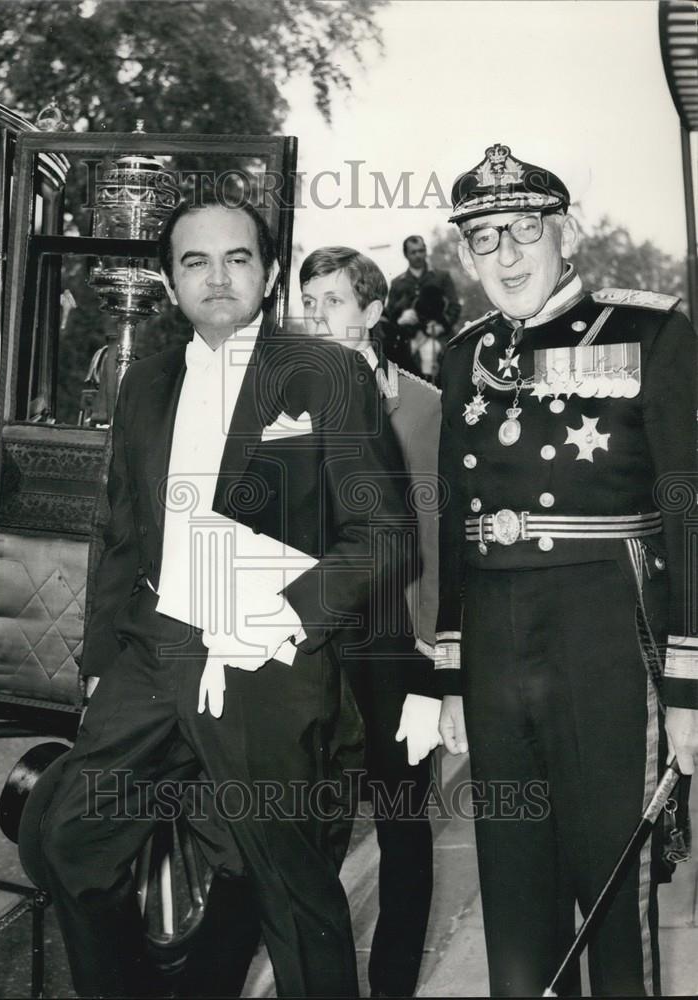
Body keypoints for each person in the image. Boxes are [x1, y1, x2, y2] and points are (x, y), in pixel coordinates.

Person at [38, 196, 413, 998]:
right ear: (170, 284)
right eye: (194, 262)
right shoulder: (143, 383)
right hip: (154, 652)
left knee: (288, 889)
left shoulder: (327, 372)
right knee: (67, 839)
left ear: (270, 273)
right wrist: (102, 663)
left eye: (237, 258)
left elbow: (384, 538)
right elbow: (123, 534)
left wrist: (281, 615)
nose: (217, 277)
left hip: (267, 663)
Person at [434, 142, 698, 997]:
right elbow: (450, 516)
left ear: (566, 232)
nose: (505, 256)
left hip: (606, 636)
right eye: (484, 239)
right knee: (514, 891)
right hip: (498, 650)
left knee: (612, 889)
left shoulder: (651, 330)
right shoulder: (464, 351)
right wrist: (449, 674)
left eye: (524, 231)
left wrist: (690, 691)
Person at [300, 246, 443, 997]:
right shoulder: (292, 404)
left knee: (402, 826)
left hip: (399, 649)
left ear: (375, 312)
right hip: (318, 646)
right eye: (310, 301)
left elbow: (436, 532)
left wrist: (437, 657)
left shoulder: (423, 407)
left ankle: (391, 988)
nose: (318, 316)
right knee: (314, 826)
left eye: (334, 301)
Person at [383, 234, 461, 379]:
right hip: (408, 338)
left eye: (421, 250)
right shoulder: (397, 283)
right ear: (406, 255)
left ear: (426, 251)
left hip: (439, 335)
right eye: (413, 252)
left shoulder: (441, 277)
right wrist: (401, 320)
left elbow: (454, 306)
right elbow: (390, 316)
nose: (418, 255)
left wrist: (442, 326)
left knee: (451, 368)